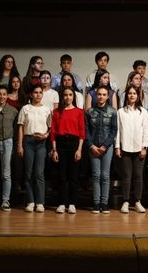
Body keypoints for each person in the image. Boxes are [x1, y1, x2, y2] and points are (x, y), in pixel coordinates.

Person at [115, 85, 148, 214]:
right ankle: (125, 201)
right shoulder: (120, 112)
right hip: (125, 148)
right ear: (126, 96)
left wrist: (144, 147)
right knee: (126, 176)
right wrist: (117, 147)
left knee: (138, 176)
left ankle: (137, 201)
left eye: (134, 93)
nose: (131, 95)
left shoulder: (143, 111)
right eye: (129, 93)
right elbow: (118, 130)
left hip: (139, 148)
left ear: (138, 96)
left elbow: (147, 131)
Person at [17, 85, 52, 212]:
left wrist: (45, 135)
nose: (38, 95)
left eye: (40, 92)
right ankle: (31, 201)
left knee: (39, 173)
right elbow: (21, 127)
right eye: (35, 92)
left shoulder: (47, 109)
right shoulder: (25, 108)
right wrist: (20, 145)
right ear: (31, 94)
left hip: (41, 142)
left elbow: (50, 128)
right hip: (28, 141)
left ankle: (40, 202)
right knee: (28, 172)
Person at [51, 86, 85, 214]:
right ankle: (61, 203)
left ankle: (72, 203)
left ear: (73, 97)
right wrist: (54, 150)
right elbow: (53, 132)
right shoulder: (56, 112)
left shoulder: (79, 112)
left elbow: (82, 132)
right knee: (62, 176)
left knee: (73, 176)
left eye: (70, 95)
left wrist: (79, 149)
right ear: (62, 97)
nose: (68, 97)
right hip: (61, 144)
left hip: (74, 143)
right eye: (65, 95)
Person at [85, 85, 118, 214]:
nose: (101, 96)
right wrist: (92, 146)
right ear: (96, 95)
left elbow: (114, 130)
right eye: (99, 94)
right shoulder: (89, 112)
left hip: (107, 147)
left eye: (104, 94)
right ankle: (96, 203)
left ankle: (104, 203)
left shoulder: (113, 112)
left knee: (105, 175)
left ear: (108, 96)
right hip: (93, 147)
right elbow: (86, 131)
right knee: (96, 175)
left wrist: (105, 146)